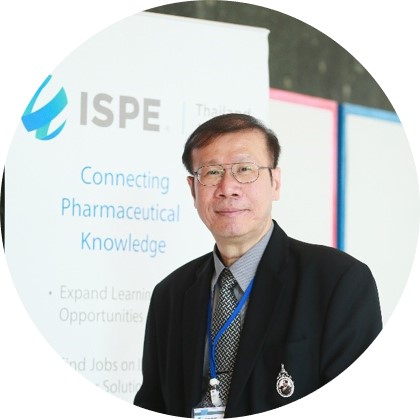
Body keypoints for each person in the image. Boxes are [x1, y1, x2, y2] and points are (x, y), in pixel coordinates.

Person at [133, 113, 382, 418]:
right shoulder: (170, 295)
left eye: (245, 170)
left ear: (275, 183)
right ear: (192, 189)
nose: (228, 187)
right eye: (212, 172)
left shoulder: (338, 281)